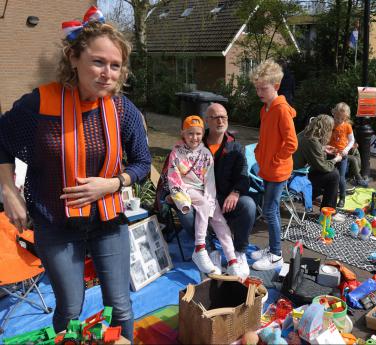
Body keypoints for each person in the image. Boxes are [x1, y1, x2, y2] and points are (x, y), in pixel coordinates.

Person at [0, 6, 151, 341]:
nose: (107, 73)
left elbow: (142, 163)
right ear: (73, 58)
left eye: (115, 66)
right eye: (98, 62)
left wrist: (113, 183)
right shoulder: (38, 105)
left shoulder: (123, 110)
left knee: (121, 305)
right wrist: (9, 192)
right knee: (70, 309)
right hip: (55, 223)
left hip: (108, 222)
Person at [175, 103, 254, 276]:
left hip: (225, 199)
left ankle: (239, 252)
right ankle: (209, 250)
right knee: (184, 208)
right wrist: (168, 194)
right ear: (207, 121)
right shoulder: (193, 141)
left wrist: (235, 192)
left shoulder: (235, 147)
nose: (220, 121)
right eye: (216, 117)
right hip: (197, 197)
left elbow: (243, 175)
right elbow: (173, 168)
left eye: (223, 117)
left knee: (248, 204)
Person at [249, 59, 298, 271]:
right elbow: (264, 137)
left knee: (269, 210)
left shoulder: (281, 110)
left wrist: (274, 161)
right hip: (268, 169)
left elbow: (292, 143)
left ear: (276, 86)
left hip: (278, 171)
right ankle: (272, 248)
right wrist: (260, 155)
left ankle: (277, 254)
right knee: (272, 210)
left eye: (263, 88)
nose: (259, 92)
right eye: (257, 88)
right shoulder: (265, 109)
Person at [293, 115, 341, 209]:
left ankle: (311, 196)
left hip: (294, 172)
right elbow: (323, 166)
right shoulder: (312, 141)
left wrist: (323, 148)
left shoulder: (306, 133)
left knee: (328, 173)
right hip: (294, 178)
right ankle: (327, 210)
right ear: (326, 129)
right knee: (333, 175)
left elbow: (309, 151)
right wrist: (335, 160)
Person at [329, 102, 355, 208]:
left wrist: (346, 150)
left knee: (341, 177)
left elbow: (351, 140)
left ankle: (342, 198)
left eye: (342, 118)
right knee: (330, 176)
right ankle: (331, 196)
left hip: (342, 156)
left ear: (346, 117)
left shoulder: (347, 126)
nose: (339, 120)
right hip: (330, 154)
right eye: (337, 117)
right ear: (334, 114)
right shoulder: (331, 123)